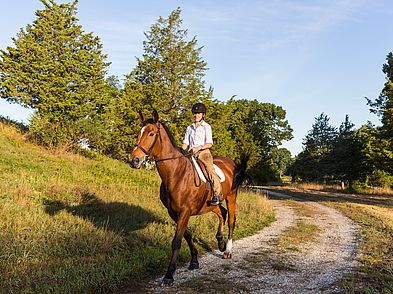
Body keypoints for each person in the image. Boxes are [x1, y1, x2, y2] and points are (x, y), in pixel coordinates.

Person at [182, 102, 222, 205]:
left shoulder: (206, 127)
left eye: (199, 113)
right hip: (191, 154)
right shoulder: (189, 128)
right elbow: (186, 142)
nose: (196, 115)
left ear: (203, 115)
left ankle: (217, 195)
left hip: (203, 153)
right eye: (195, 113)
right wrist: (181, 152)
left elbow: (209, 143)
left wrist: (199, 147)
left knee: (210, 170)